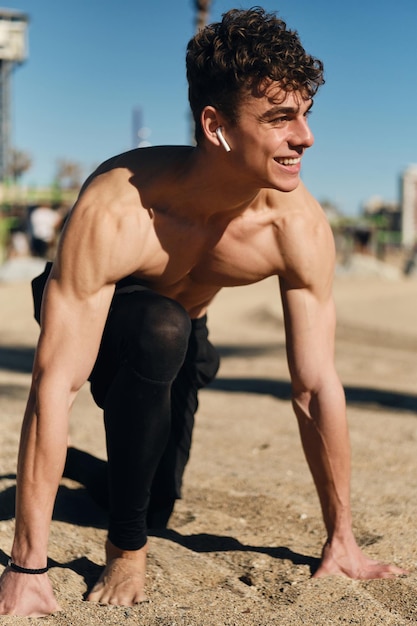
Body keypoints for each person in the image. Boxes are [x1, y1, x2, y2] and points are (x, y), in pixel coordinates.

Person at [0, 7, 406, 617]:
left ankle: (90, 475)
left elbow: (316, 387)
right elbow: (56, 386)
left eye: (305, 115)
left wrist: (341, 538)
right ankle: (124, 547)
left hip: (185, 332)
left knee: (155, 497)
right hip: (114, 322)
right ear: (215, 126)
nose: (306, 138)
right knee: (161, 327)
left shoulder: (293, 226)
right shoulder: (121, 208)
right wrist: (27, 565)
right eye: (280, 118)